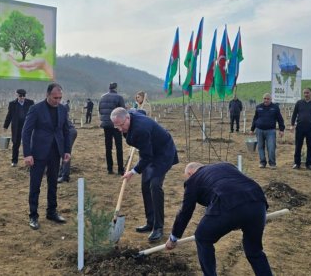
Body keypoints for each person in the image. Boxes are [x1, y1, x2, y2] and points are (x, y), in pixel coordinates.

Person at [165, 162, 272, 276]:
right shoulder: (226, 166)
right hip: (258, 202)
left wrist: (173, 238)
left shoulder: (193, 180)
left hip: (227, 204)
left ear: (190, 173)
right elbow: (237, 186)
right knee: (254, 251)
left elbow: (185, 211)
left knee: (202, 237)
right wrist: (238, 220)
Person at [112, 107, 178, 242]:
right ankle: (150, 222)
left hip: (162, 153)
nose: (119, 129)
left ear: (128, 119)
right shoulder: (131, 114)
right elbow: (140, 111)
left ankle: (158, 227)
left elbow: (146, 157)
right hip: (149, 151)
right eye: (116, 126)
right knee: (145, 186)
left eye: (121, 125)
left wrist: (133, 171)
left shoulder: (140, 130)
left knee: (154, 185)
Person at [22, 83, 71, 230]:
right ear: (47, 95)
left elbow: (66, 131)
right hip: (38, 153)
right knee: (35, 185)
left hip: (56, 152)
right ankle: (33, 215)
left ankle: (51, 212)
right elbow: (26, 132)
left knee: (53, 184)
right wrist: (27, 154)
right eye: (55, 97)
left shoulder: (63, 109)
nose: (58, 101)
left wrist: (66, 150)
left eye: (60, 98)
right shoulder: (36, 109)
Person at [291, 87, 311, 170]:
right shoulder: (299, 103)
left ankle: (309, 164)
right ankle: (296, 163)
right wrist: (292, 125)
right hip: (300, 128)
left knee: (310, 146)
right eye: (304, 93)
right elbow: (294, 114)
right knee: (298, 146)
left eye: (307, 93)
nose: (306, 94)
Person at [250, 93, 285, 169]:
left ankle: (272, 163)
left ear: (271, 99)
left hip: (271, 131)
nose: (266, 100)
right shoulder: (258, 107)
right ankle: (262, 162)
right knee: (260, 147)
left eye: (268, 99)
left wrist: (281, 129)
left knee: (271, 147)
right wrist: (252, 129)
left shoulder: (275, 108)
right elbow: (255, 119)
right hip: (259, 130)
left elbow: (280, 119)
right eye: (265, 98)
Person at [99, 82, 125, 175]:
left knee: (108, 147)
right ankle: (120, 169)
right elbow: (123, 111)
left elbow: (100, 110)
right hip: (116, 125)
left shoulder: (102, 97)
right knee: (119, 147)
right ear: (116, 88)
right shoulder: (119, 97)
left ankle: (109, 169)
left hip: (106, 125)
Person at [3, 89, 34, 167]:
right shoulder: (12, 104)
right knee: (16, 144)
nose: (22, 97)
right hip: (17, 128)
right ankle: (14, 161)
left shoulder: (30, 103)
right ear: (17, 95)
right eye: (20, 96)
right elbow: (9, 115)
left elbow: (34, 115)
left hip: (27, 128)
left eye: (24, 96)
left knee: (28, 144)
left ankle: (30, 161)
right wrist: (5, 126)